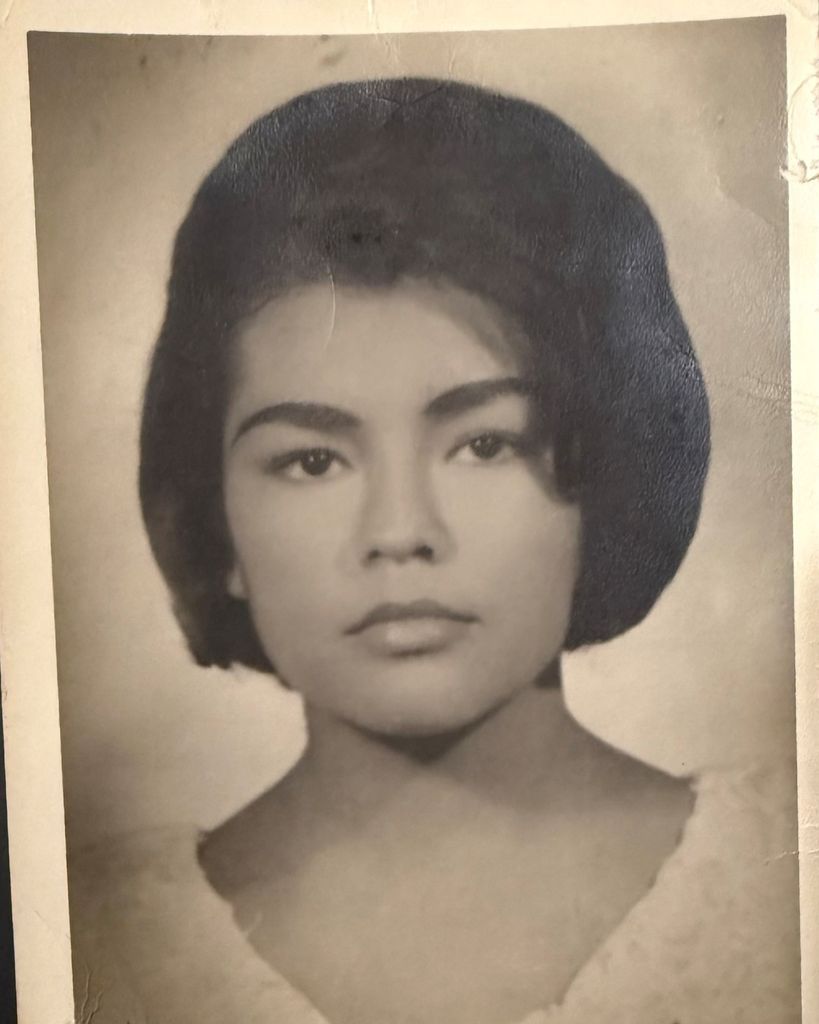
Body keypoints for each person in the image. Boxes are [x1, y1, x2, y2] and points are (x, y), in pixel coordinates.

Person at [69, 78, 800, 1024]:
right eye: (312, 461)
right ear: (219, 525)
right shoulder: (95, 938)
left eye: (484, 444)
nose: (399, 531)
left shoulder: (790, 875)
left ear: (604, 478)